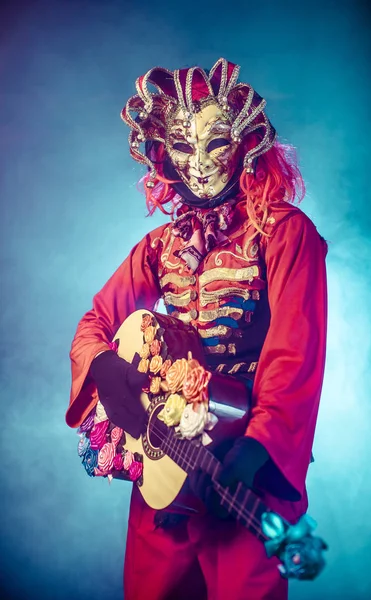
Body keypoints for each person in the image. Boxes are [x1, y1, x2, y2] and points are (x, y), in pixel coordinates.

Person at [66, 58, 328, 600]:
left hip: (240, 466)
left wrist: (259, 446)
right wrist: (105, 366)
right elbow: (95, 322)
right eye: (184, 147)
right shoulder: (159, 246)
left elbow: (294, 353)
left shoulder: (284, 234)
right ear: (163, 152)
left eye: (215, 143)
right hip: (163, 473)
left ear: (245, 141)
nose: (200, 164)